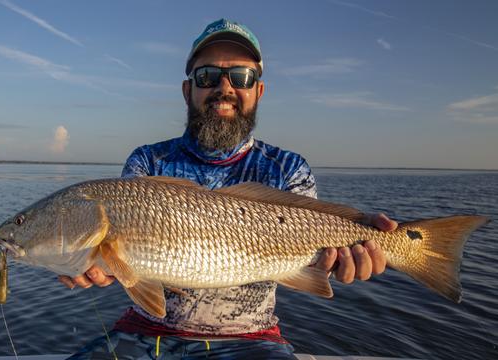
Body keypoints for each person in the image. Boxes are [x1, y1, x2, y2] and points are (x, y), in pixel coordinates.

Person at [60, 19, 398, 359]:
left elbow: (314, 256)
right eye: (207, 76)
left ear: (258, 91)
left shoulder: (287, 169)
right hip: (146, 333)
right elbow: (123, 263)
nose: (224, 87)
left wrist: (353, 247)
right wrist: (93, 263)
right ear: (187, 89)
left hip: (252, 339)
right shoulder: (148, 161)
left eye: (241, 77)